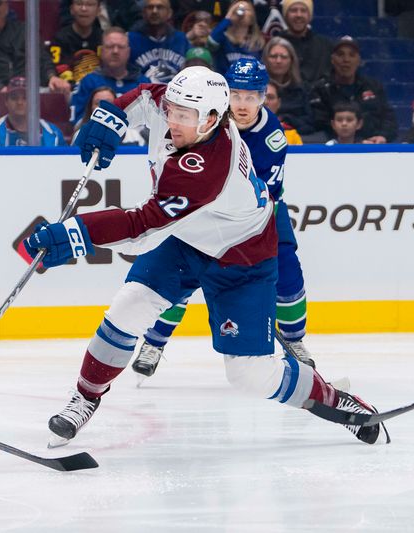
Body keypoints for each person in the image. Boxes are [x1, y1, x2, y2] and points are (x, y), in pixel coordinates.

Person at [24, 66, 390, 448]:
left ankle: (334, 399)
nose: (173, 121)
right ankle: (84, 398)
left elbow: (141, 227)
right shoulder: (181, 107)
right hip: (187, 237)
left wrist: (77, 233)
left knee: (250, 375)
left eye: (185, 116)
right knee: (129, 306)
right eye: (173, 111)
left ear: (213, 119)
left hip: (241, 254)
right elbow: (147, 95)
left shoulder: (208, 167)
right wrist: (112, 115)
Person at [131, 57, 315, 381]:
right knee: (178, 276)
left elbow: (261, 201)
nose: (243, 105)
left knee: (288, 270)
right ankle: (154, 342)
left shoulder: (273, 137)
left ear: (264, 97)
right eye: (237, 95)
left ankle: (296, 343)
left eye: (251, 97)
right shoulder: (205, 122)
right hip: (196, 211)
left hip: (261, 215)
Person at [0, 0, 69, 98]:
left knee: (62, 92)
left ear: (6, 7)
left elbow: (42, 57)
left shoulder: (24, 30)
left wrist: (52, 77)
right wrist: (0, 89)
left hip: (30, 92)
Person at [310, 36, 398, 143]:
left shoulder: (373, 86)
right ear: (332, 60)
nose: (346, 60)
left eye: (352, 55)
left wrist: (383, 137)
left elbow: (388, 118)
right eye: (340, 54)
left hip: (371, 148)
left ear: (358, 60)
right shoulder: (321, 89)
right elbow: (319, 125)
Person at [70, 26, 149, 124]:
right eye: (110, 47)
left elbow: (152, 122)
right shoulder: (88, 82)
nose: (115, 51)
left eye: (120, 47)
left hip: (138, 137)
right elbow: (77, 121)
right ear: (102, 51)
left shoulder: (144, 83)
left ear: (128, 52)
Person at [0, 76, 66, 147]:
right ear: (6, 102)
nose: (19, 102)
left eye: (25, 98)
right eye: (14, 98)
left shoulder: (53, 133)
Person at [128, 0, 189, 83]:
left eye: (160, 7)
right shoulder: (130, 39)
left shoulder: (181, 39)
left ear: (169, 13)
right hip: (142, 92)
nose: (154, 11)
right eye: (150, 7)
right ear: (143, 13)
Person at [262, 35, 313, 135]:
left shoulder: (301, 90)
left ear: (291, 60)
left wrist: (288, 120)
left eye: (284, 57)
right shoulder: (256, 89)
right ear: (265, 59)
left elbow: (309, 124)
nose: (278, 61)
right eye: (273, 56)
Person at [278, 0, 332, 86]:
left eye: (303, 10)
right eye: (293, 10)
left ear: (309, 15)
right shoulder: (275, 45)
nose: (299, 15)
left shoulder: (324, 45)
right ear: (286, 15)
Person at [73, 85, 147, 145]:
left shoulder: (133, 135)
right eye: (97, 103)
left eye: (109, 103)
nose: (103, 107)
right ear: (91, 108)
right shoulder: (80, 135)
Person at [50, 0, 103, 85]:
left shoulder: (104, 39)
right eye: (79, 4)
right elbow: (56, 68)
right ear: (71, 9)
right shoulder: (60, 39)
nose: (84, 9)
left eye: (90, 4)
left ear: (98, 10)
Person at [207, 1, 265, 74]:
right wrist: (228, 18)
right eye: (237, 9)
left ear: (252, 16)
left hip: (249, 84)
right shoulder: (222, 38)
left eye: (246, 9)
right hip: (226, 83)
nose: (241, 13)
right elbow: (211, 43)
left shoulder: (257, 43)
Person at [265, 80, 303, 144]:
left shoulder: (291, 135)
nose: (265, 102)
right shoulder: (242, 133)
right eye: (261, 97)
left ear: (279, 103)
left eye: (270, 97)